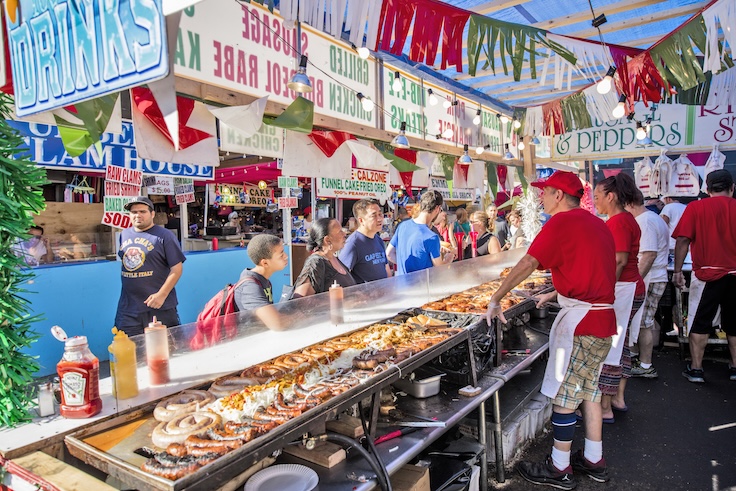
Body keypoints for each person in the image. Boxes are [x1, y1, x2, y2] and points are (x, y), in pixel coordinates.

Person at [486, 171, 617, 488]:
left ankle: (560, 468)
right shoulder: (597, 224)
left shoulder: (560, 223)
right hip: (602, 320)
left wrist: (496, 297)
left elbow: (528, 262)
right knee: (590, 392)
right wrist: (556, 293)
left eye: (545, 192)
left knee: (565, 396)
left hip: (582, 325)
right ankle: (594, 460)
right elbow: (591, 270)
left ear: (559, 195)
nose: (541, 197)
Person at [672, 169, 736, 383]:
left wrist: (678, 271)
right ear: (732, 188)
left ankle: (696, 369)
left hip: (707, 274)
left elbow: (682, 240)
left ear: (707, 189)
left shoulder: (696, 207)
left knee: (699, 322)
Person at [593, 174, 645, 421]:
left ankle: (604, 408)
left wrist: (604, 291)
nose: (595, 202)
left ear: (610, 196)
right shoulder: (624, 219)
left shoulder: (619, 222)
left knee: (611, 347)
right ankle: (618, 398)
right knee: (621, 344)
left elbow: (620, 260)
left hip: (623, 288)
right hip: (628, 287)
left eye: (597, 197)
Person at [115, 197, 186, 337]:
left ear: (152, 214)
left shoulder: (165, 236)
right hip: (128, 308)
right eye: (134, 212)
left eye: (142, 211)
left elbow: (177, 269)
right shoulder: (124, 235)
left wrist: (162, 295)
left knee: (167, 351)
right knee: (130, 351)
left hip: (159, 306)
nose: (138, 215)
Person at [626, 190, 670, 379]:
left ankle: (646, 365)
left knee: (644, 322)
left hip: (651, 277)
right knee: (641, 320)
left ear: (629, 203)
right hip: (653, 276)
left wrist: (636, 281)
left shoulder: (645, 221)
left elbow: (649, 254)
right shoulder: (650, 217)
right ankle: (638, 358)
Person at [386, 190, 455, 275]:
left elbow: (389, 254)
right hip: (422, 286)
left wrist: (405, 264)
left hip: (402, 286)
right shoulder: (431, 237)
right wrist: (448, 259)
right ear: (437, 209)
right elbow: (439, 270)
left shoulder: (402, 226)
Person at [233, 234, 289, 330]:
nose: (286, 256)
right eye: (281, 254)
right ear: (265, 263)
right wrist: (300, 315)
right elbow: (277, 323)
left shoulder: (262, 280)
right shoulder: (250, 287)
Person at [292, 218, 356, 297]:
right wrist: (338, 301)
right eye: (340, 231)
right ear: (327, 240)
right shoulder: (316, 262)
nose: (344, 234)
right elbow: (300, 299)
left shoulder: (334, 258)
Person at [339, 199, 390, 284]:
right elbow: (341, 276)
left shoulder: (378, 239)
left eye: (380, 214)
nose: (379, 219)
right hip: (366, 295)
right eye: (374, 216)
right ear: (361, 220)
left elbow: (386, 268)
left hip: (383, 294)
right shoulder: (353, 244)